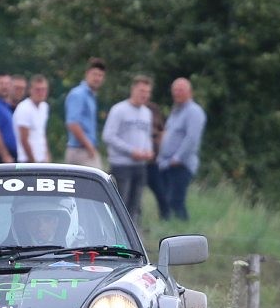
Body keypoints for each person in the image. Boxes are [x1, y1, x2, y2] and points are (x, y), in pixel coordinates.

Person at [102, 75, 155, 221]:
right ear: (133, 89)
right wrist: (131, 151)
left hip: (140, 166)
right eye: (141, 91)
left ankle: (134, 236)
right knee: (120, 204)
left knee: (136, 205)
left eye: (147, 92)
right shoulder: (119, 110)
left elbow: (147, 136)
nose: (144, 95)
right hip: (122, 165)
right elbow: (109, 136)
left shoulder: (147, 113)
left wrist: (149, 151)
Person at [157, 77, 207, 221]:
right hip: (167, 164)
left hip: (181, 165)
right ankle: (169, 231)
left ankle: (184, 232)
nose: (177, 93)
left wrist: (178, 158)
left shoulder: (194, 112)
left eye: (181, 90)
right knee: (167, 200)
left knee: (175, 201)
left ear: (190, 92)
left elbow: (192, 138)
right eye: (175, 90)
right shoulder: (176, 110)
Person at [64, 58, 106, 168]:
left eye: (100, 75)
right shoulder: (78, 94)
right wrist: (89, 147)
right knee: (97, 183)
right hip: (80, 150)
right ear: (87, 74)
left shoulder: (91, 96)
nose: (97, 78)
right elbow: (73, 123)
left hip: (85, 150)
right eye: (95, 74)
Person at [14, 73, 51, 163]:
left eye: (43, 89)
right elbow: (24, 139)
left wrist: (47, 154)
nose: (41, 93)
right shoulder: (24, 108)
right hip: (26, 160)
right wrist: (33, 161)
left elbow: (41, 133)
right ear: (30, 90)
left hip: (41, 159)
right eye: (37, 90)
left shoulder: (44, 107)